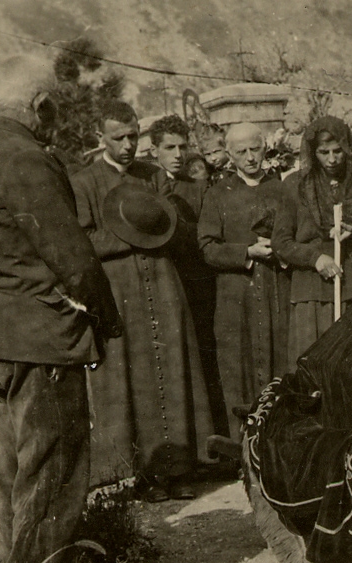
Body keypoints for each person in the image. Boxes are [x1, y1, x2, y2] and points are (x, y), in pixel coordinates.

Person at [0, 55, 120, 563]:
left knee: (10, 473)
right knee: (52, 474)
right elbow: (73, 258)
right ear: (40, 106)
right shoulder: (28, 159)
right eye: (52, 109)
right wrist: (106, 322)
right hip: (43, 340)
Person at [71, 100, 212, 501]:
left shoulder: (153, 177)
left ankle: (182, 469)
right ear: (101, 139)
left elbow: (177, 224)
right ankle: (145, 475)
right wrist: (130, 236)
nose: (129, 145)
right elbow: (84, 240)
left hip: (165, 285)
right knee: (133, 376)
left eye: (134, 136)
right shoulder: (84, 183)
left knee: (174, 365)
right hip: (121, 292)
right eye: (119, 138)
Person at [271, 115, 352, 361]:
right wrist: (316, 258)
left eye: (338, 151)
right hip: (312, 295)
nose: (332, 159)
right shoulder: (294, 185)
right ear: (313, 152)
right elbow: (281, 243)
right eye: (324, 152)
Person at [198, 122, 291, 437]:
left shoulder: (282, 189)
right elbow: (208, 248)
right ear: (228, 154)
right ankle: (244, 449)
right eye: (241, 152)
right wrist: (247, 252)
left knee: (281, 361)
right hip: (236, 295)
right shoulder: (217, 194)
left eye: (255, 149)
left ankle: (280, 441)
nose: (250, 158)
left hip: (278, 288)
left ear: (265, 147)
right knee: (239, 366)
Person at [149, 114, 226, 437]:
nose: (178, 154)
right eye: (170, 147)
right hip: (164, 281)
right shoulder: (146, 184)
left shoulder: (198, 187)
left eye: (183, 147)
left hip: (197, 281)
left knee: (204, 355)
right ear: (155, 150)